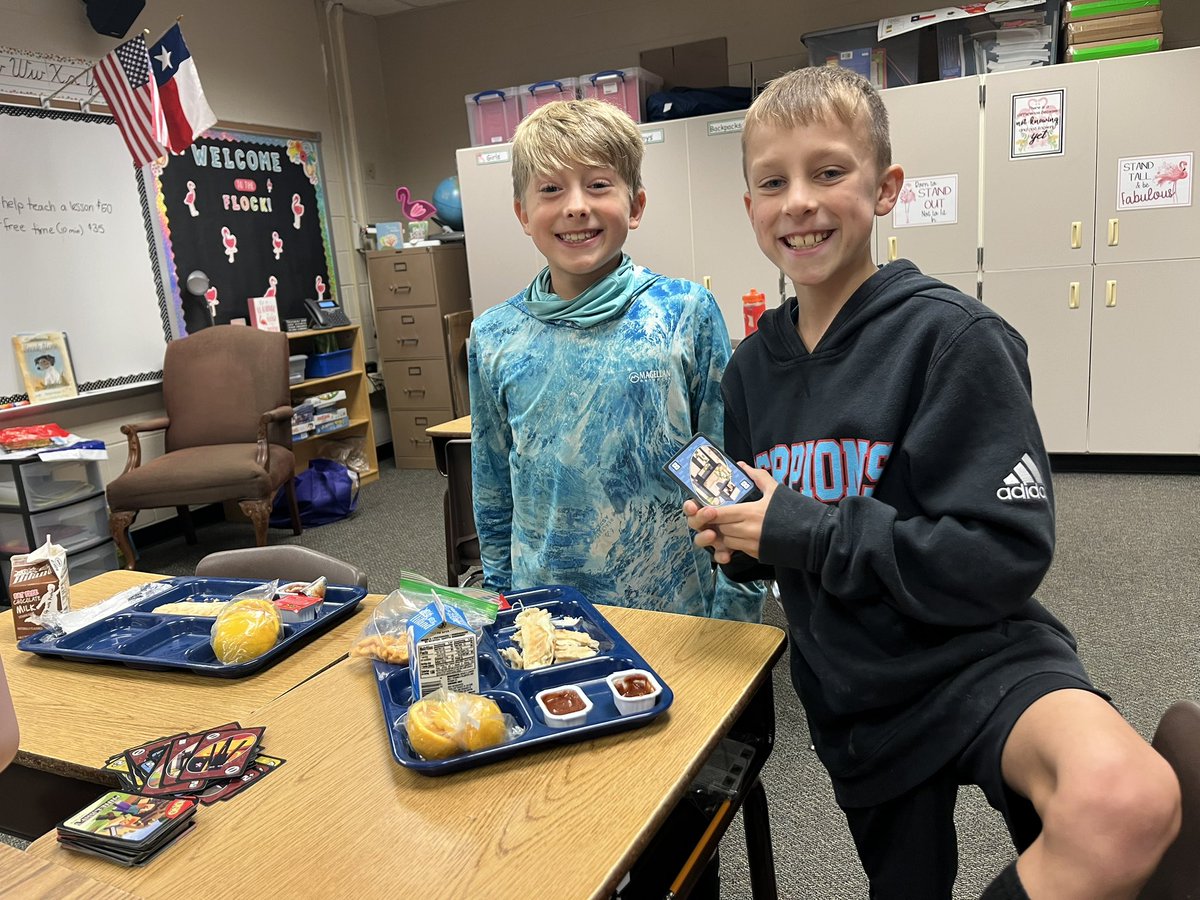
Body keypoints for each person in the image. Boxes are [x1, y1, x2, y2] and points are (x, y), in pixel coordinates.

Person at [685, 66, 1180, 900]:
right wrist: (737, 542)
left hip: (978, 655)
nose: (799, 201)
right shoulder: (748, 373)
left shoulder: (954, 341)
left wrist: (801, 528)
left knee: (1125, 800)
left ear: (885, 190)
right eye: (773, 182)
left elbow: (1003, 556)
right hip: (854, 692)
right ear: (751, 209)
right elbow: (775, 553)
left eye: (829, 172)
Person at [469, 98, 762, 623]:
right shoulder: (494, 335)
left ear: (636, 205)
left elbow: (726, 464)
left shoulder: (683, 312)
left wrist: (736, 607)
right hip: (546, 612)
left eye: (599, 184)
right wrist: (499, 600)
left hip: (675, 605)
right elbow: (493, 485)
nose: (576, 206)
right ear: (522, 214)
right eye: (551, 189)